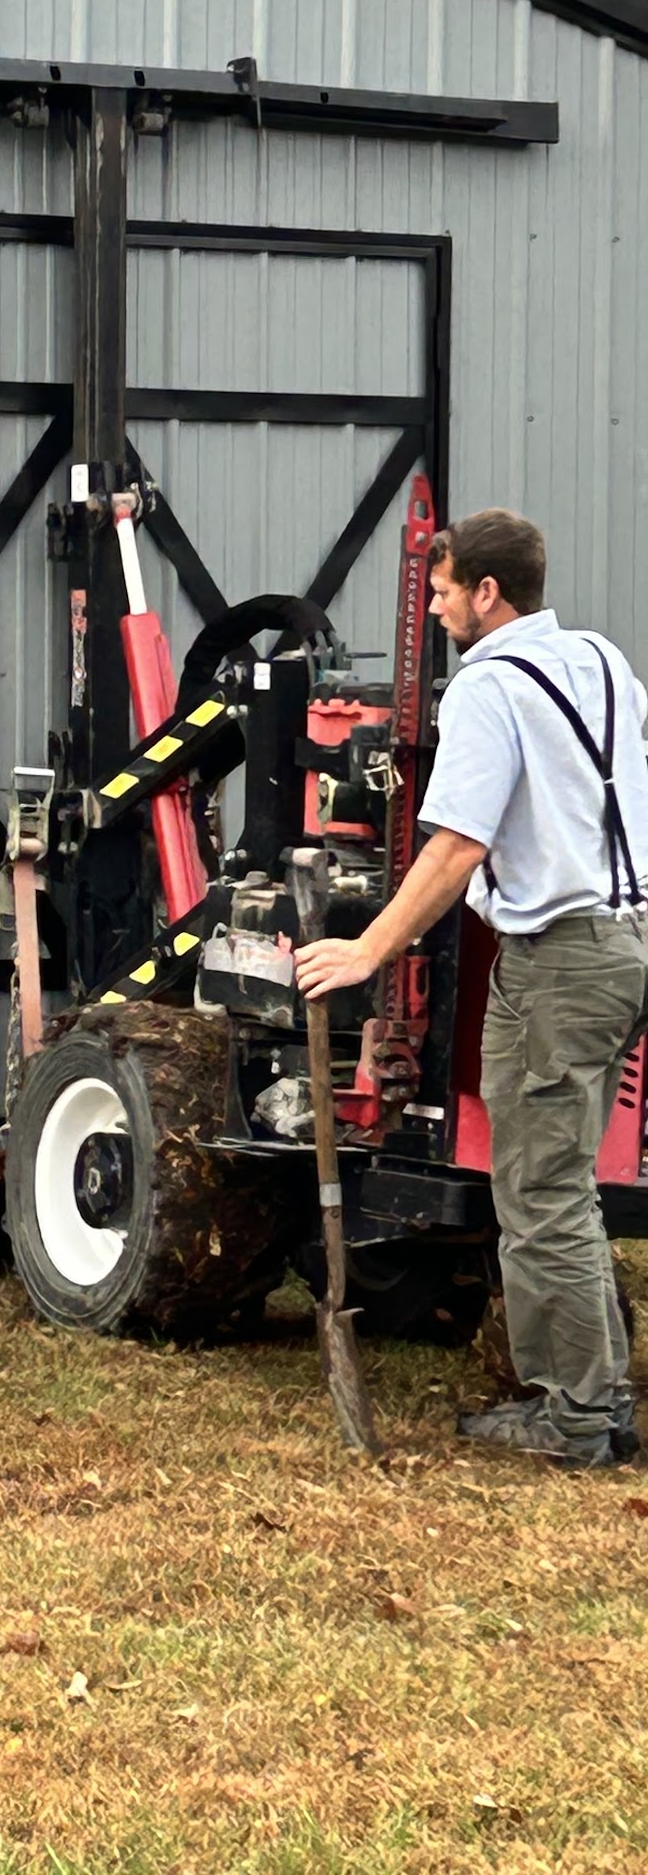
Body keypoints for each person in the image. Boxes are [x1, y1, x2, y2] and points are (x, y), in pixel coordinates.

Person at [296, 508, 648, 1468]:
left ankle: (576, 1418)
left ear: (487, 592)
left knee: (540, 1192)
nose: (439, 607)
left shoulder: (490, 689)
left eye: (444, 590)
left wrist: (367, 948)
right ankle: (601, 1400)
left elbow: (455, 845)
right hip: (630, 938)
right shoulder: (605, 663)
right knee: (560, 1186)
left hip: (559, 960)